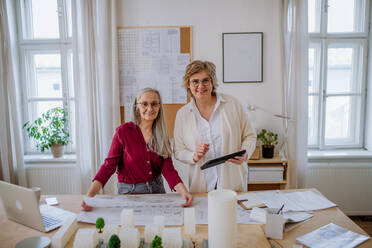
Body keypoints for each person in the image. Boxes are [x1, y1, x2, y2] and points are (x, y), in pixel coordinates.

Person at [82, 88, 193, 211]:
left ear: (159, 107)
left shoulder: (162, 135)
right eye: (144, 104)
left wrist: (184, 192)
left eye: (154, 104)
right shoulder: (123, 132)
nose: (150, 109)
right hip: (129, 193)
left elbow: (168, 169)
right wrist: (90, 195)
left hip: (157, 191)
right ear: (137, 107)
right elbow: (109, 166)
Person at [173, 60, 257, 193]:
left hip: (232, 183)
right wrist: (193, 155)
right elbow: (178, 150)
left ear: (212, 82)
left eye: (205, 80)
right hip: (200, 186)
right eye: (195, 81)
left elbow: (250, 136)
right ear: (188, 85)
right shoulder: (182, 115)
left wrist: (246, 152)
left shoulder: (232, 104)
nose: (200, 86)